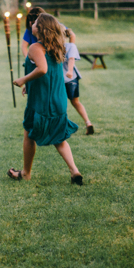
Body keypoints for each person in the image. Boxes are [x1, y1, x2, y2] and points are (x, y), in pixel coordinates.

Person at [9, 13, 83, 185]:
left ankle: (26, 174)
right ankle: (75, 171)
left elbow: (42, 69)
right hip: (58, 99)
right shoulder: (56, 46)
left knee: (28, 133)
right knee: (59, 138)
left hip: (41, 101)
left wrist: (23, 80)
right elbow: (47, 70)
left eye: (35, 22)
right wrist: (31, 84)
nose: (32, 23)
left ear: (40, 28)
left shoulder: (35, 47)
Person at [63, 28, 95, 135]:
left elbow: (71, 59)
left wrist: (69, 71)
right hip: (73, 79)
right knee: (76, 102)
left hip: (63, 79)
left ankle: (62, 126)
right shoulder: (71, 45)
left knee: (60, 104)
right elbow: (71, 57)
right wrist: (69, 31)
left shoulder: (54, 47)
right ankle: (88, 122)